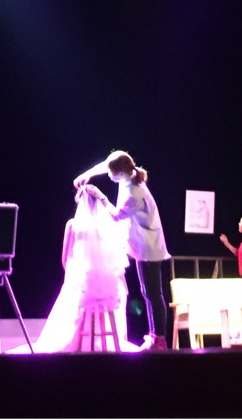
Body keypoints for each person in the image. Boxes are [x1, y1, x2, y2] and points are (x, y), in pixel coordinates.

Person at [7, 184, 140, 353]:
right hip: (109, 287)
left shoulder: (73, 225)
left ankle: (77, 339)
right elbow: (117, 257)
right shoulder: (108, 226)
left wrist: (73, 274)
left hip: (83, 285)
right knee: (102, 295)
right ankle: (105, 340)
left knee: (73, 293)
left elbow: (65, 258)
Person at [73, 150, 171, 352]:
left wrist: (100, 196)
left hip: (149, 246)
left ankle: (159, 338)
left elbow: (116, 215)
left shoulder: (134, 192)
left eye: (112, 173)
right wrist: (86, 175)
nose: (109, 176)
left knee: (153, 293)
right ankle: (155, 336)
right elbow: (105, 165)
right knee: (147, 292)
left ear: (120, 172)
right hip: (144, 244)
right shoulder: (129, 175)